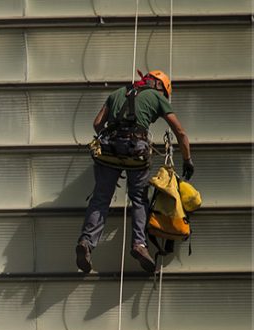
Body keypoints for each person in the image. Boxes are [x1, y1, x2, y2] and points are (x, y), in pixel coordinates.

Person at [76, 70, 194, 273]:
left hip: (108, 151)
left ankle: (86, 242)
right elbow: (180, 132)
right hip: (136, 153)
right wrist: (187, 160)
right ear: (160, 86)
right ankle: (139, 244)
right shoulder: (157, 96)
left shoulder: (117, 93)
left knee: (101, 199)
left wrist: (115, 140)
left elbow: (97, 124)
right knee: (139, 199)